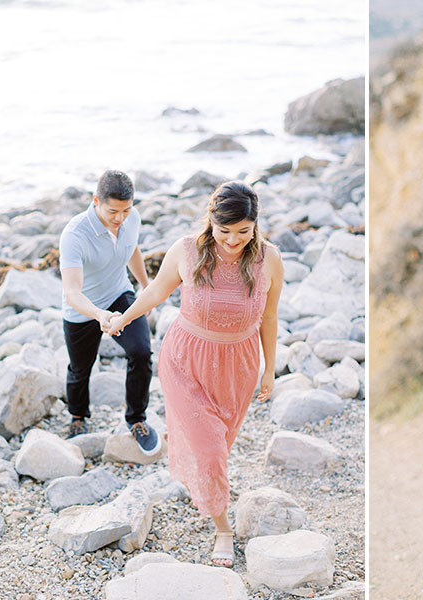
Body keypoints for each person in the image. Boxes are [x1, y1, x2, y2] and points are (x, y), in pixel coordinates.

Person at [105, 181, 283, 568]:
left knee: (219, 444)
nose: (233, 240)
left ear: (255, 226)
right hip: (186, 360)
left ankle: (205, 483)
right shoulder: (187, 250)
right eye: (224, 231)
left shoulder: (269, 259)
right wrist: (124, 317)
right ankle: (223, 529)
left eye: (243, 231)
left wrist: (269, 369)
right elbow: (155, 293)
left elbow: (269, 317)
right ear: (211, 222)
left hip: (239, 365)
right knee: (210, 448)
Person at [59, 169, 160, 455]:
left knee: (141, 352)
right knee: (80, 369)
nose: (120, 218)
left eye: (126, 210)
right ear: (95, 201)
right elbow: (72, 292)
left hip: (119, 295)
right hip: (82, 309)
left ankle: (137, 420)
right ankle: (78, 417)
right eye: (113, 211)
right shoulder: (74, 235)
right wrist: (99, 315)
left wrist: (145, 285)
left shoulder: (132, 218)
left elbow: (132, 248)